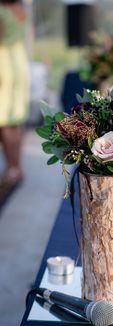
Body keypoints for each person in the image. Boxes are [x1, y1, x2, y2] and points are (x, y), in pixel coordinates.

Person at [0, 0, 29, 189]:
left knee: (4, 120)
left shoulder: (2, 11)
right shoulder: (21, 9)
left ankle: (10, 168)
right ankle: (17, 167)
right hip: (19, 62)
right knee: (15, 120)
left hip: (3, 64)